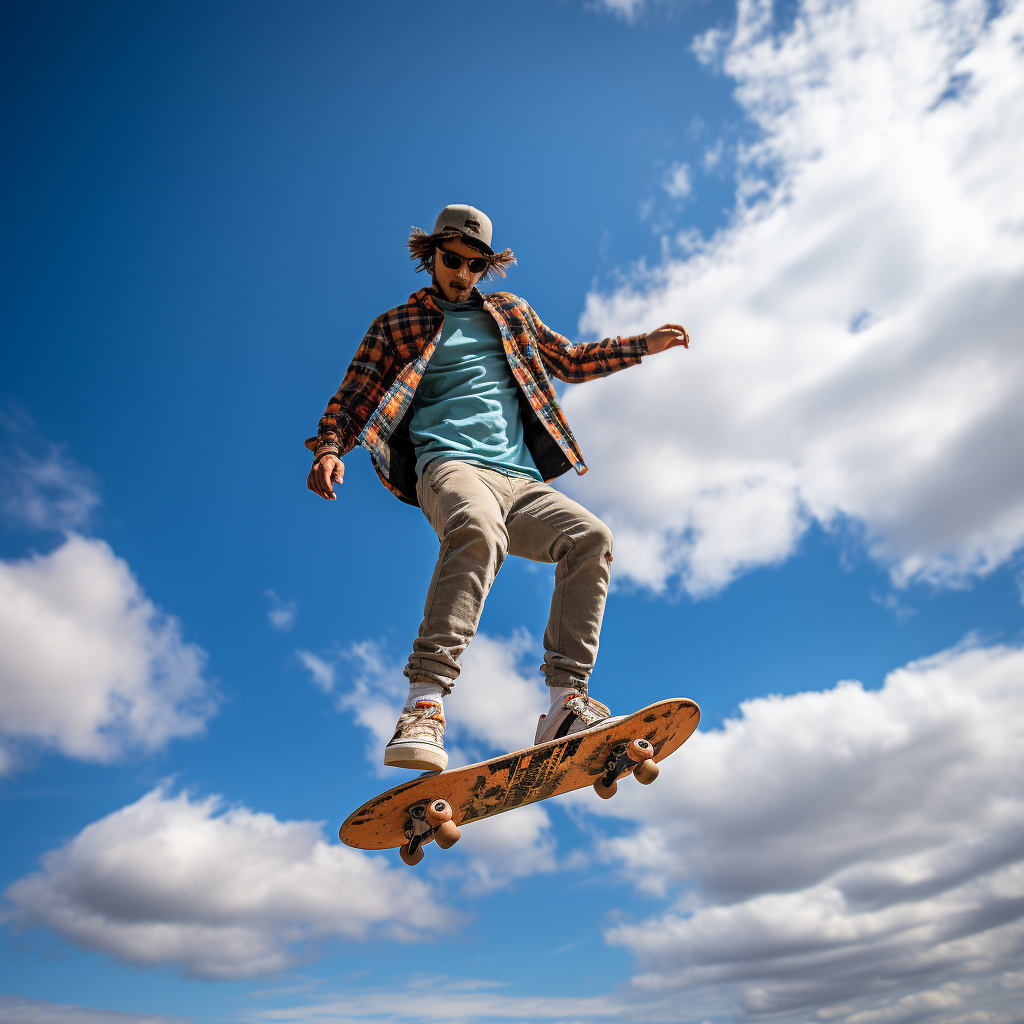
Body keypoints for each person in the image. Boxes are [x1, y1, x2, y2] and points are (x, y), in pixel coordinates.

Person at [306, 204, 689, 771]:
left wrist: (640, 346)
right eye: (452, 261)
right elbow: (354, 394)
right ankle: (424, 704)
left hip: (519, 479)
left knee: (591, 537)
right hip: (449, 466)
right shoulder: (394, 326)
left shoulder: (511, 313)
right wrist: (331, 447)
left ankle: (564, 703)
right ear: (429, 256)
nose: (462, 275)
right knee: (477, 531)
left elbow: (570, 360)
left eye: (475, 266)